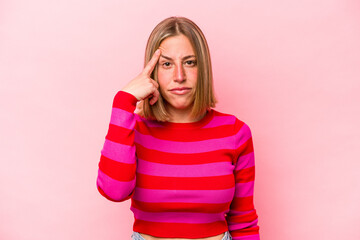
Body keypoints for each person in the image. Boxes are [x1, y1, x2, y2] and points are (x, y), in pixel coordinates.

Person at [96, 16, 260, 240]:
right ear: (152, 72)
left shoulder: (235, 133)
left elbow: (243, 221)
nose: (179, 76)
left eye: (190, 62)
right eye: (167, 64)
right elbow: (115, 191)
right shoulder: (133, 130)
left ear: (203, 68)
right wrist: (123, 102)